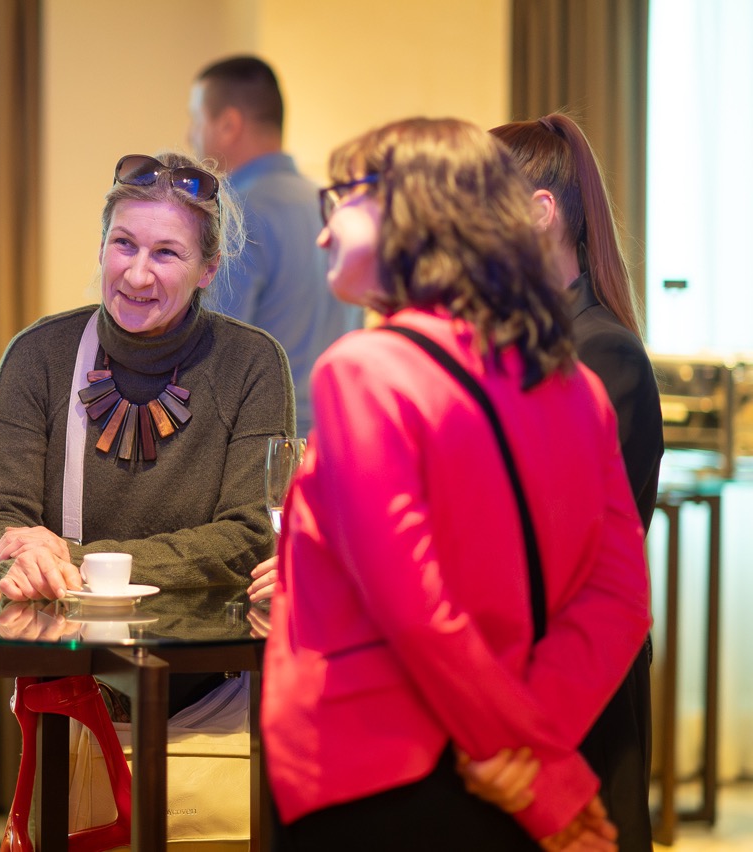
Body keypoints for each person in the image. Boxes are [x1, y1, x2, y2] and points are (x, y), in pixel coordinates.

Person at [261, 117, 652, 851]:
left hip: (372, 770)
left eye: (341, 200)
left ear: (415, 211)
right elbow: (621, 600)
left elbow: (412, 606)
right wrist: (533, 756)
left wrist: (524, 762)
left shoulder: (366, 369)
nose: (323, 232)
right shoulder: (575, 387)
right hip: (498, 771)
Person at [0, 150, 293, 604]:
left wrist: (75, 559)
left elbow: (249, 537)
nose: (138, 276)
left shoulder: (252, 362)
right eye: (124, 244)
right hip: (63, 638)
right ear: (101, 246)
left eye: (166, 253)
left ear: (208, 269)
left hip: (205, 642)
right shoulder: (38, 354)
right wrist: (27, 556)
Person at [491, 112, 663, 852]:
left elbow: (551, 546)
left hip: (575, 695)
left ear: (540, 212)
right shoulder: (517, 345)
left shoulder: (602, 355)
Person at [188, 55, 363, 438]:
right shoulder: (330, 204)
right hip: (337, 434)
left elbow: (214, 357)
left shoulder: (235, 213)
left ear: (229, 124)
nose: (191, 136)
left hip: (264, 445)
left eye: (197, 120)